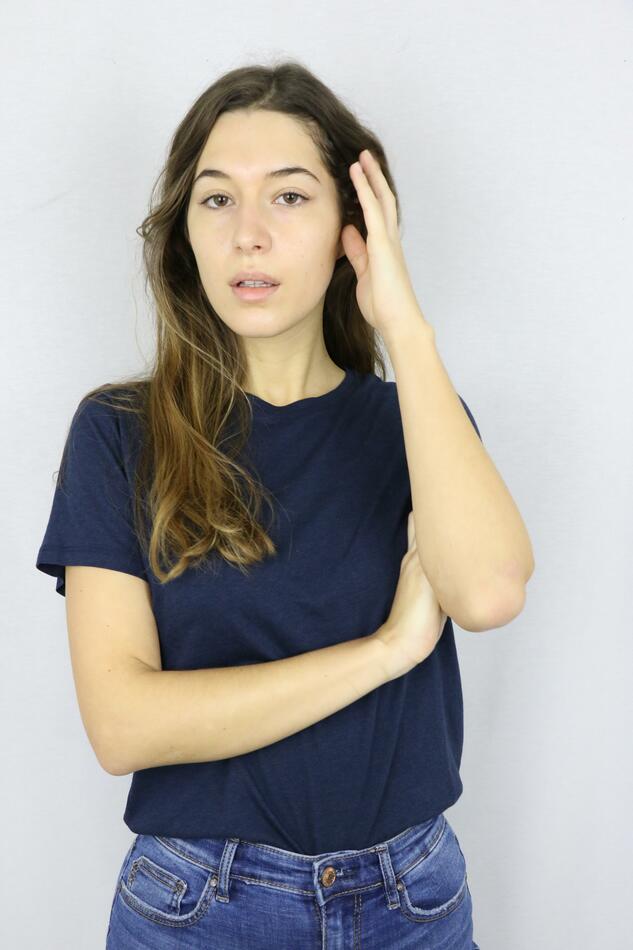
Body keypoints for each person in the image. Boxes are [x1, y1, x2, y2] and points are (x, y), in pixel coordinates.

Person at [34, 60, 494, 948]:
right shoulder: (120, 432)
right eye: (217, 200)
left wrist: (404, 326)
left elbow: (486, 594)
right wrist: (386, 652)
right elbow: (122, 726)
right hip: (198, 906)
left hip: (413, 904)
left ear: (351, 232)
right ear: (185, 236)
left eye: (288, 197)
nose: (249, 235)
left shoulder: (419, 421)